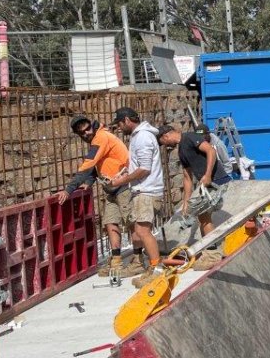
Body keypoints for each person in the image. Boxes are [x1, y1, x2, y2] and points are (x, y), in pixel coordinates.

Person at [56, 115, 143, 278]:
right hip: (111, 188)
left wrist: (69, 189)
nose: (86, 133)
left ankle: (138, 259)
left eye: (87, 129)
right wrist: (89, 181)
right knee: (110, 222)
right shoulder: (98, 138)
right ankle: (116, 259)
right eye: (82, 133)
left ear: (92, 126)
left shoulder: (101, 137)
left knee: (132, 223)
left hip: (123, 185)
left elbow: (88, 163)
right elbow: (98, 166)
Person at [111, 107, 165, 288]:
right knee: (139, 230)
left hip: (146, 191)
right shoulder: (140, 136)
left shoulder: (142, 137)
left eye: (119, 124)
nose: (119, 128)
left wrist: (122, 180)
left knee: (143, 231)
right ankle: (153, 267)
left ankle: (157, 269)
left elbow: (145, 168)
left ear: (126, 120)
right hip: (144, 190)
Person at [156, 125, 233, 238]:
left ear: (166, 135)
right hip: (207, 185)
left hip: (217, 180)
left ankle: (212, 252)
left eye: (162, 142)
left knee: (204, 217)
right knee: (202, 217)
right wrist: (186, 202)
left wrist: (207, 175)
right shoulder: (181, 151)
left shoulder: (190, 137)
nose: (165, 145)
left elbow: (210, 151)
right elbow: (187, 178)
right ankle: (207, 248)